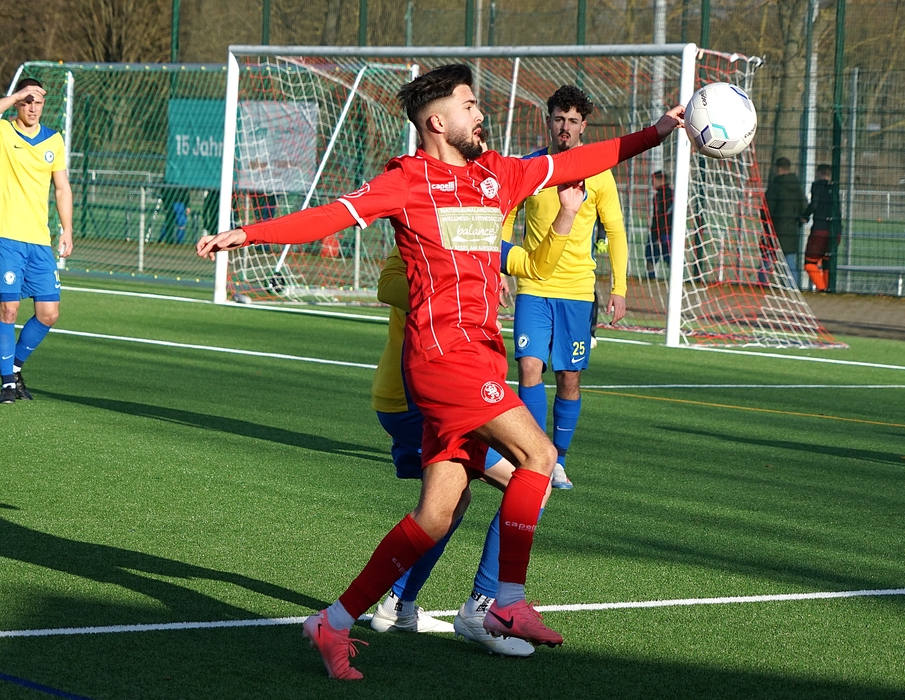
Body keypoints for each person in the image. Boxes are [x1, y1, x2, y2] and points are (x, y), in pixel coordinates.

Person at [196, 63, 682, 680]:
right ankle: (505, 603)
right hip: (443, 359)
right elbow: (330, 215)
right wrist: (248, 234)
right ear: (436, 121)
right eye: (469, 105)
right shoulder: (406, 181)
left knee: (436, 515)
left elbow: (584, 160)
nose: (481, 115)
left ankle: (334, 622)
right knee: (538, 457)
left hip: (478, 355)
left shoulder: (497, 174)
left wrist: (656, 132)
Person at [370, 183, 583, 656]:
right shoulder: (421, 236)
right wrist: (461, 288)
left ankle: (397, 604)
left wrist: (567, 212)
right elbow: (389, 285)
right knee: (534, 478)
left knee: (453, 500)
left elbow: (535, 266)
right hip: (419, 400)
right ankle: (483, 607)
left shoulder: (479, 237)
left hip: (447, 399)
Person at [497, 85, 630, 491]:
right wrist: (499, 268)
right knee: (528, 367)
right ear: (548, 121)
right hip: (533, 285)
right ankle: (538, 457)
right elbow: (506, 217)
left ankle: (560, 459)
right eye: (559, 119)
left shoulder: (599, 173)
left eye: (573, 121)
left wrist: (620, 287)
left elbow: (616, 231)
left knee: (568, 378)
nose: (565, 127)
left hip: (577, 292)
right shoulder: (531, 167)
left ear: (584, 126)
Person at [0, 78, 73, 404]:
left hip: (40, 241)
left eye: (37, 102)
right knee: (9, 309)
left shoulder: (53, 140)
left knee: (49, 313)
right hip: (7, 237)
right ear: (17, 103)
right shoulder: (2, 133)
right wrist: (15, 94)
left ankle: (14, 368)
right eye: (27, 102)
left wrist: (67, 229)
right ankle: (6, 384)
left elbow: (62, 188)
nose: (32, 108)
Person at [764, 157, 807, 286]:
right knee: (789, 262)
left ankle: (762, 285)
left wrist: (765, 223)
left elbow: (766, 210)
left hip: (774, 229)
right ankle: (793, 287)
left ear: (778, 169)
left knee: (767, 258)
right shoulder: (797, 188)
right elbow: (804, 208)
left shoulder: (775, 187)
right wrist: (799, 219)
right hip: (791, 230)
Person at [801, 163, 841, 291]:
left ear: (818, 173)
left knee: (809, 263)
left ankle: (822, 288)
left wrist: (805, 216)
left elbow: (814, 204)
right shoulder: (834, 187)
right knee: (827, 262)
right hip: (836, 231)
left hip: (820, 229)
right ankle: (828, 289)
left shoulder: (817, 185)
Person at [646, 170, 673, 279]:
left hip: (663, 232)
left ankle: (652, 278)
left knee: (665, 256)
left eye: (654, 180)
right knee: (651, 257)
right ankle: (652, 278)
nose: (652, 183)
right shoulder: (661, 194)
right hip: (663, 231)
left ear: (661, 180)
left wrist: (658, 235)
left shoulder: (665, 195)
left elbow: (662, 217)